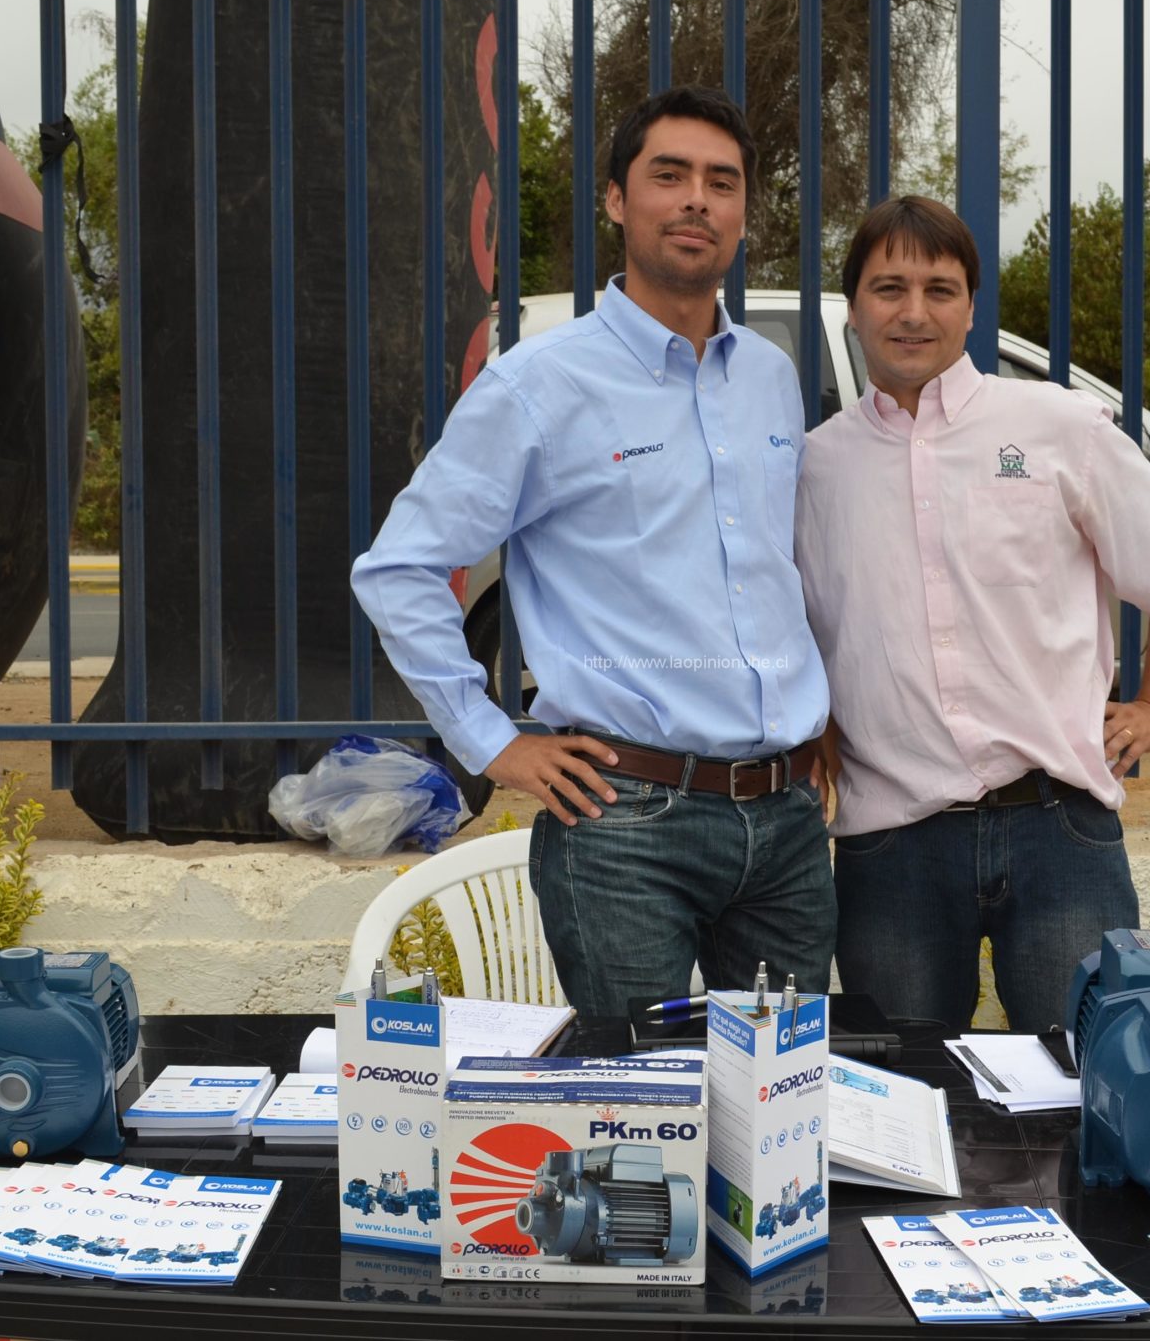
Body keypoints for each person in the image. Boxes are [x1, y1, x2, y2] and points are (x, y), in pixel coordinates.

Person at [350, 86, 833, 1020]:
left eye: (721, 182)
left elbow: (782, 573)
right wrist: (492, 744)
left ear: (743, 212)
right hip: (624, 824)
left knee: (781, 1107)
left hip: (783, 825)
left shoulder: (772, 381)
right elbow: (399, 567)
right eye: (669, 175)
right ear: (617, 200)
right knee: (640, 1112)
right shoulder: (539, 384)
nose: (697, 200)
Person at [793, 195, 1150, 1032]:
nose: (914, 313)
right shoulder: (816, 467)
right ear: (852, 308)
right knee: (908, 1105)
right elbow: (810, 630)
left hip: (1059, 832)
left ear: (971, 305)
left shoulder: (1059, 428)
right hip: (892, 849)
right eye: (888, 288)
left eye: (940, 289)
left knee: (1086, 1089)